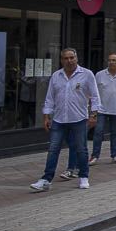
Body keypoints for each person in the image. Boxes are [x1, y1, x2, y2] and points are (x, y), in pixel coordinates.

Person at [31, 48, 100, 192]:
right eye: (65, 58)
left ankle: (83, 176)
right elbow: (50, 98)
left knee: (81, 149)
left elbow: (95, 96)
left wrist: (94, 115)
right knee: (53, 149)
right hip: (59, 119)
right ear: (61, 60)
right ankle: (46, 179)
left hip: (79, 118)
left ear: (76, 58)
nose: (69, 61)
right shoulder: (56, 76)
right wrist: (46, 116)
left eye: (71, 58)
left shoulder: (87, 75)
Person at [91, 53, 116, 164]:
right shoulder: (99, 75)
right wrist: (92, 109)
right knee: (98, 132)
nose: (111, 62)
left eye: (114, 60)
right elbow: (93, 93)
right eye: (109, 60)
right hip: (101, 109)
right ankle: (95, 155)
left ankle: (114, 155)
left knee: (115, 132)